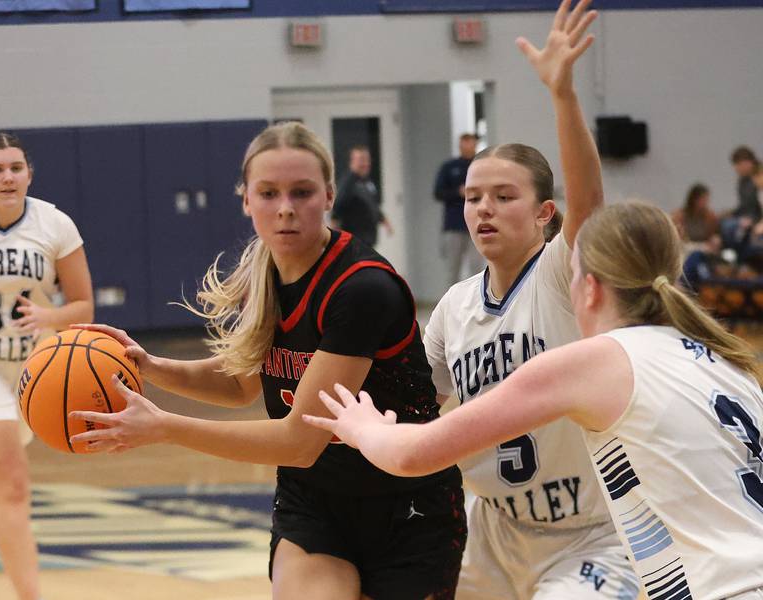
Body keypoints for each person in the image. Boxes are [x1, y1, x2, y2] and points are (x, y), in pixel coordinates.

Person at [69, 122, 466, 600]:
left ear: (329, 195)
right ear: (246, 200)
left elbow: (300, 441)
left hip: (407, 508)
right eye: (268, 193)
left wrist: (165, 427)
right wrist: (148, 366)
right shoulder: (262, 273)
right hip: (315, 503)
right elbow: (240, 385)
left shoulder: (361, 288)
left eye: (302, 192)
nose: (285, 208)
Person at [305, 201, 763, 600]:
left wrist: (363, 426)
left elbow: (413, 455)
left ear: (589, 287)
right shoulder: (730, 365)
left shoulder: (598, 360)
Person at [403, 1, 640, 598]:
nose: (483, 208)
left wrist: (562, 94)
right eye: (472, 197)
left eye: (504, 197)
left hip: (590, 534)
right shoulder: (453, 307)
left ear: (543, 213)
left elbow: (589, 199)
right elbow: (414, 409)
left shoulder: (560, 273)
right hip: (491, 531)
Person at [0, 133, 94, 600]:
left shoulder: (55, 224)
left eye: (16, 168)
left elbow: (83, 306)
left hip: (30, 372)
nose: (8, 177)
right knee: (14, 485)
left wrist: (49, 317)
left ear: (29, 175)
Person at [433, 133, 482, 286]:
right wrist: (457, 192)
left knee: (477, 268)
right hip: (454, 224)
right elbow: (438, 193)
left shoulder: (481, 166)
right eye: (465, 143)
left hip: (478, 224)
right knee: (452, 269)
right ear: (460, 145)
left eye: (471, 143)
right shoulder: (449, 167)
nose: (468, 146)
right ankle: (451, 300)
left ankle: (477, 298)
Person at [331, 145, 392, 247]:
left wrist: (384, 221)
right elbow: (338, 205)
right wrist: (335, 231)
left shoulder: (367, 182)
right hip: (354, 238)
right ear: (352, 162)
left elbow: (372, 204)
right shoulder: (348, 183)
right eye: (361, 160)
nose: (365, 164)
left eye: (367, 160)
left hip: (367, 238)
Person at [671, 182, 718, 247]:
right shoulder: (679, 215)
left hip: (703, 246)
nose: (705, 203)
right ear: (694, 199)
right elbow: (676, 235)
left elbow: (712, 235)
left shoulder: (710, 216)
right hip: (685, 245)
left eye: (707, 200)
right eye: (703, 199)